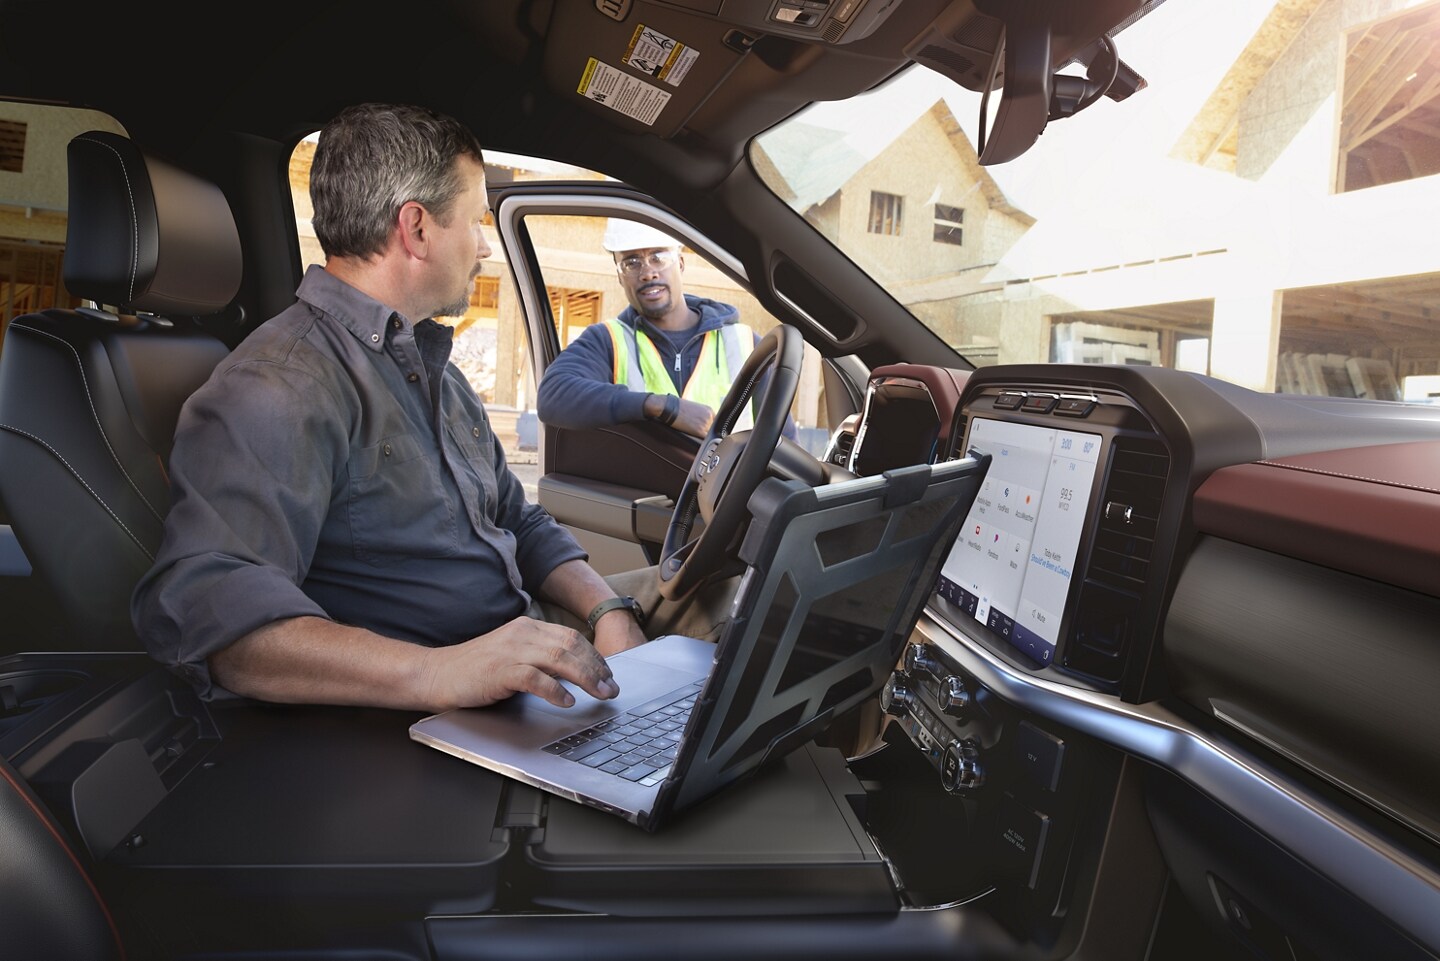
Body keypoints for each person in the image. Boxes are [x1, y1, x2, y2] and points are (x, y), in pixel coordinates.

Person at [131, 103, 648, 714]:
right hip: (429, 707)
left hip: (518, 654)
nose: (485, 246)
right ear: (418, 229)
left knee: (717, 608)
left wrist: (606, 609)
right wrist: (437, 673)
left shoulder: (434, 372)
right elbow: (214, 611)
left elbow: (517, 519)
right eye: (476, 220)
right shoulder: (279, 386)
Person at [536, 218, 796, 440]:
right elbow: (552, 396)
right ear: (619, 276)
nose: (647, 272)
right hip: (646, 497)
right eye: (631, 262)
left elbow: (784, 446)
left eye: (658, 257)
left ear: (680, 263)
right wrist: (661, 407)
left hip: (728, 498)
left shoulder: (746, 345)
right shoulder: (607, 341)